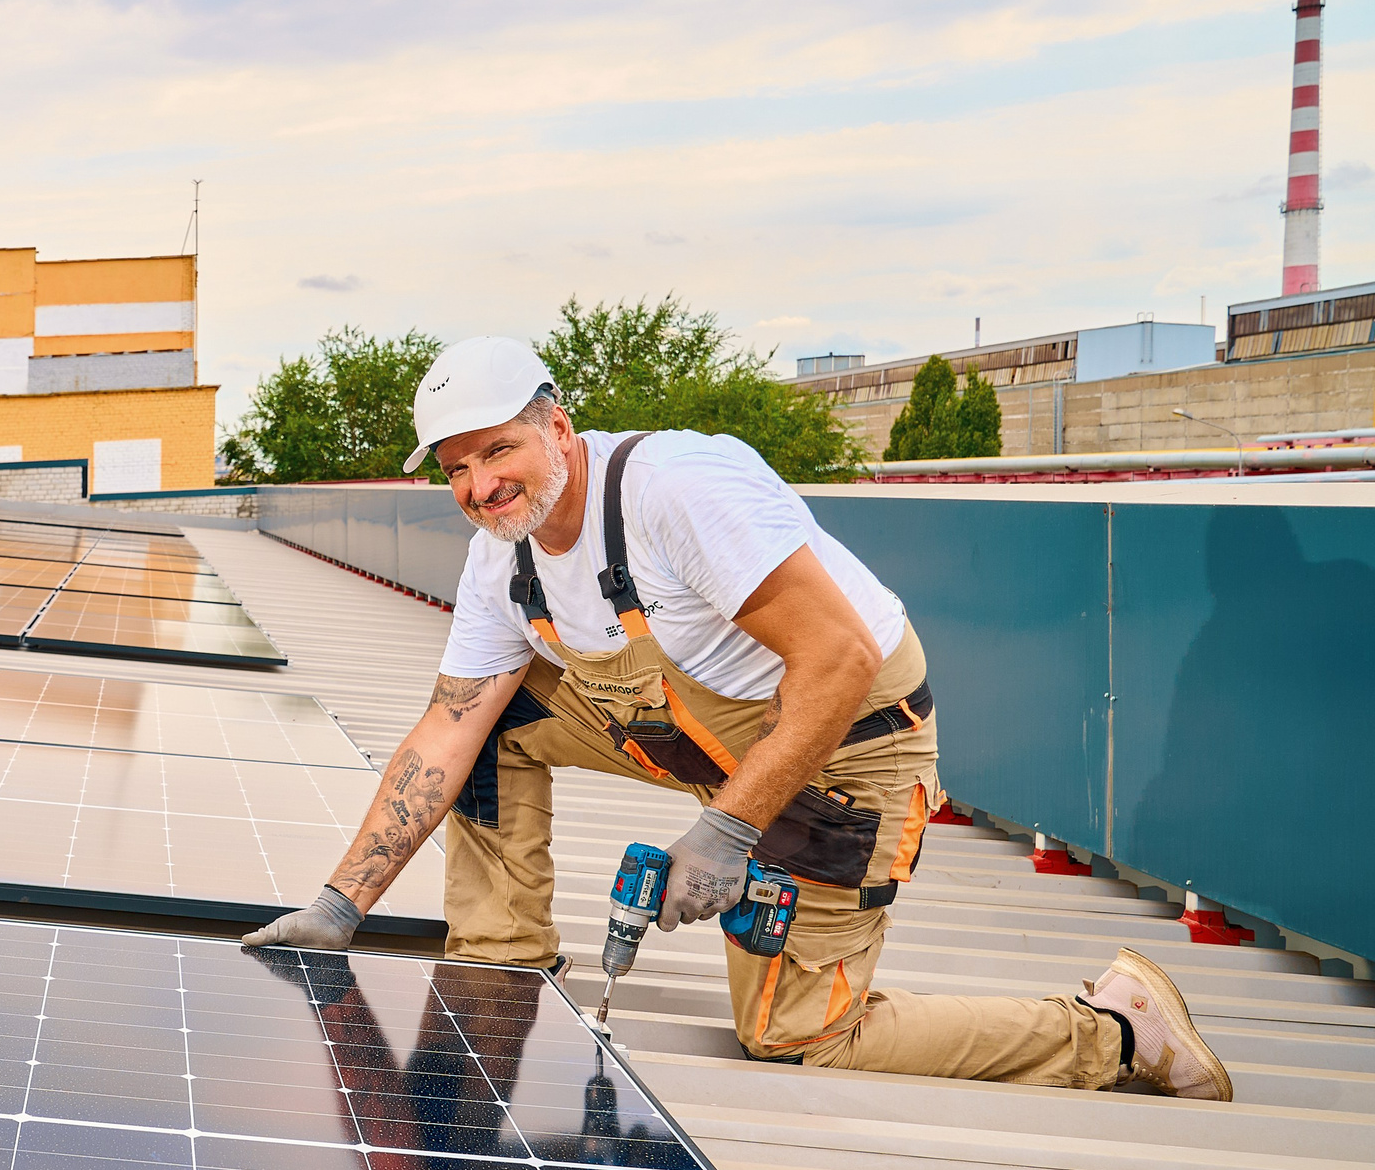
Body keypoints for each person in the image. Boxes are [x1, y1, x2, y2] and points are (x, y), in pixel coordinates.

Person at [242, 335, 1230, 1100]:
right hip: (693, 733)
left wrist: (727, 829)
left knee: (798, 1037)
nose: (478, 486)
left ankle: (1117, 1033)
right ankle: (501, 967)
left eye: (497, 450)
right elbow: (445, 731)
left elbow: (838, 658)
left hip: (845, 745)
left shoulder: (678, 490)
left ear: (558, 424)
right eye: (454, 468)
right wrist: (341, 905)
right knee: (494, 731)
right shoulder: (506, 555)